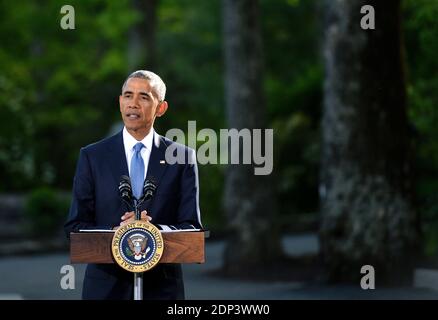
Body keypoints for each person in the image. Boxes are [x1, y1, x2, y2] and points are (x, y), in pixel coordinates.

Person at [64, 70, 202, 300]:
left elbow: (191, 227)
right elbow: (75, 227)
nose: (133, 104)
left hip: (162, 289)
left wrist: (152, 232)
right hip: (105, 288)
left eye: (144, 97)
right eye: (128, 95)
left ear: (161, 108)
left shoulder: (182, 158)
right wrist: (117, 233)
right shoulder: (92, 156)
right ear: (120, 102)